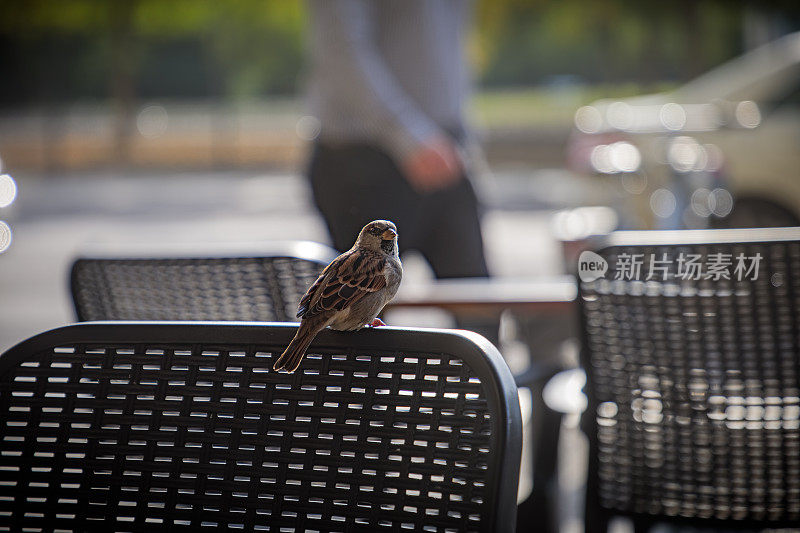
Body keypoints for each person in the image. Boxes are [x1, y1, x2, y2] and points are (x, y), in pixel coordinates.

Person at [305, 0, 489, 282]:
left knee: (478, 308)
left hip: (443, 149)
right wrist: (410, 138)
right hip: (363, 161)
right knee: (362, 314)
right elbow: (341, 47)